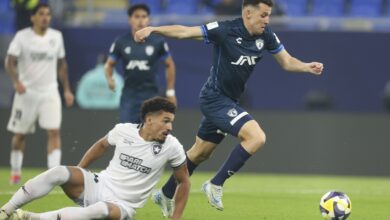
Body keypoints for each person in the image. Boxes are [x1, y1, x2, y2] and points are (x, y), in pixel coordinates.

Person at [135, 0, 324, 215]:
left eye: (269, 15)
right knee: (256, 137)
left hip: (229, 100)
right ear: (248, 14)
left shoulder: (266, 35)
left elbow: (287, 62)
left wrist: (307, 66)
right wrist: (153, 29)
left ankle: (166, 193)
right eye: (263, 15)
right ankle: (215, 184)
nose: (267, 20)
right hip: (214, 98)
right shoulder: (225, 30)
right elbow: (185, 32)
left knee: (199, 153)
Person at [0, 97, 190, 220]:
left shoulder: (172, 146)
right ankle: (6, 210)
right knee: (59, 171)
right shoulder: (123, 130)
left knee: (99, 210)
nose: (170, 127)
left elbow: (184, 181)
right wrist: (80, 171)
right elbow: (101, 146)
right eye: (166, 121)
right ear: (149, 119)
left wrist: (176, 218)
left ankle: (33, 218)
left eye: (171, 122)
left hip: (122, 206)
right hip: (99, 184)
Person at [5, 3, 74, 185]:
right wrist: (16, 82)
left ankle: (53, 173)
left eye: (48, 14)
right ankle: (15, 171)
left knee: (54, 131)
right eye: (41, 14)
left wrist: (66, 89)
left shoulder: (56, 37)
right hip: (27, 92)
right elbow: (9, 61)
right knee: (20, 135)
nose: (45, 17)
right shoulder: (22, 37)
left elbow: (62, 65)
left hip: (50, 91)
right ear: (33, 17)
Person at [105, 4, 177, 124]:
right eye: (136, 16)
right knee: (127, 133)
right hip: (129, 96)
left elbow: (169, 64)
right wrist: (109, 79)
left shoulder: (158, 41)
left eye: (144, 16)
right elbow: (109, 64)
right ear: (130, 19)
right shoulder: (121, 41)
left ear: (149, 19)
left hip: (151, 95)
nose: (140, 20)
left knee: (151, 132)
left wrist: (170, 91)